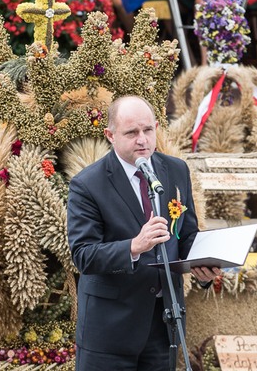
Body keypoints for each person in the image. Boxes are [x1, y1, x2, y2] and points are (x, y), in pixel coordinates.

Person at [67, 95, 219, 370]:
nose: (143, 140)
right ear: (110, 135)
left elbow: (185, 236)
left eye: (148, 130)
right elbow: (83, 255)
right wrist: (134, 246)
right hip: (110, 331)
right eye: (132, 133)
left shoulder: (175, 170)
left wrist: (203, 263)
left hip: (164, 327)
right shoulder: (87, 184)